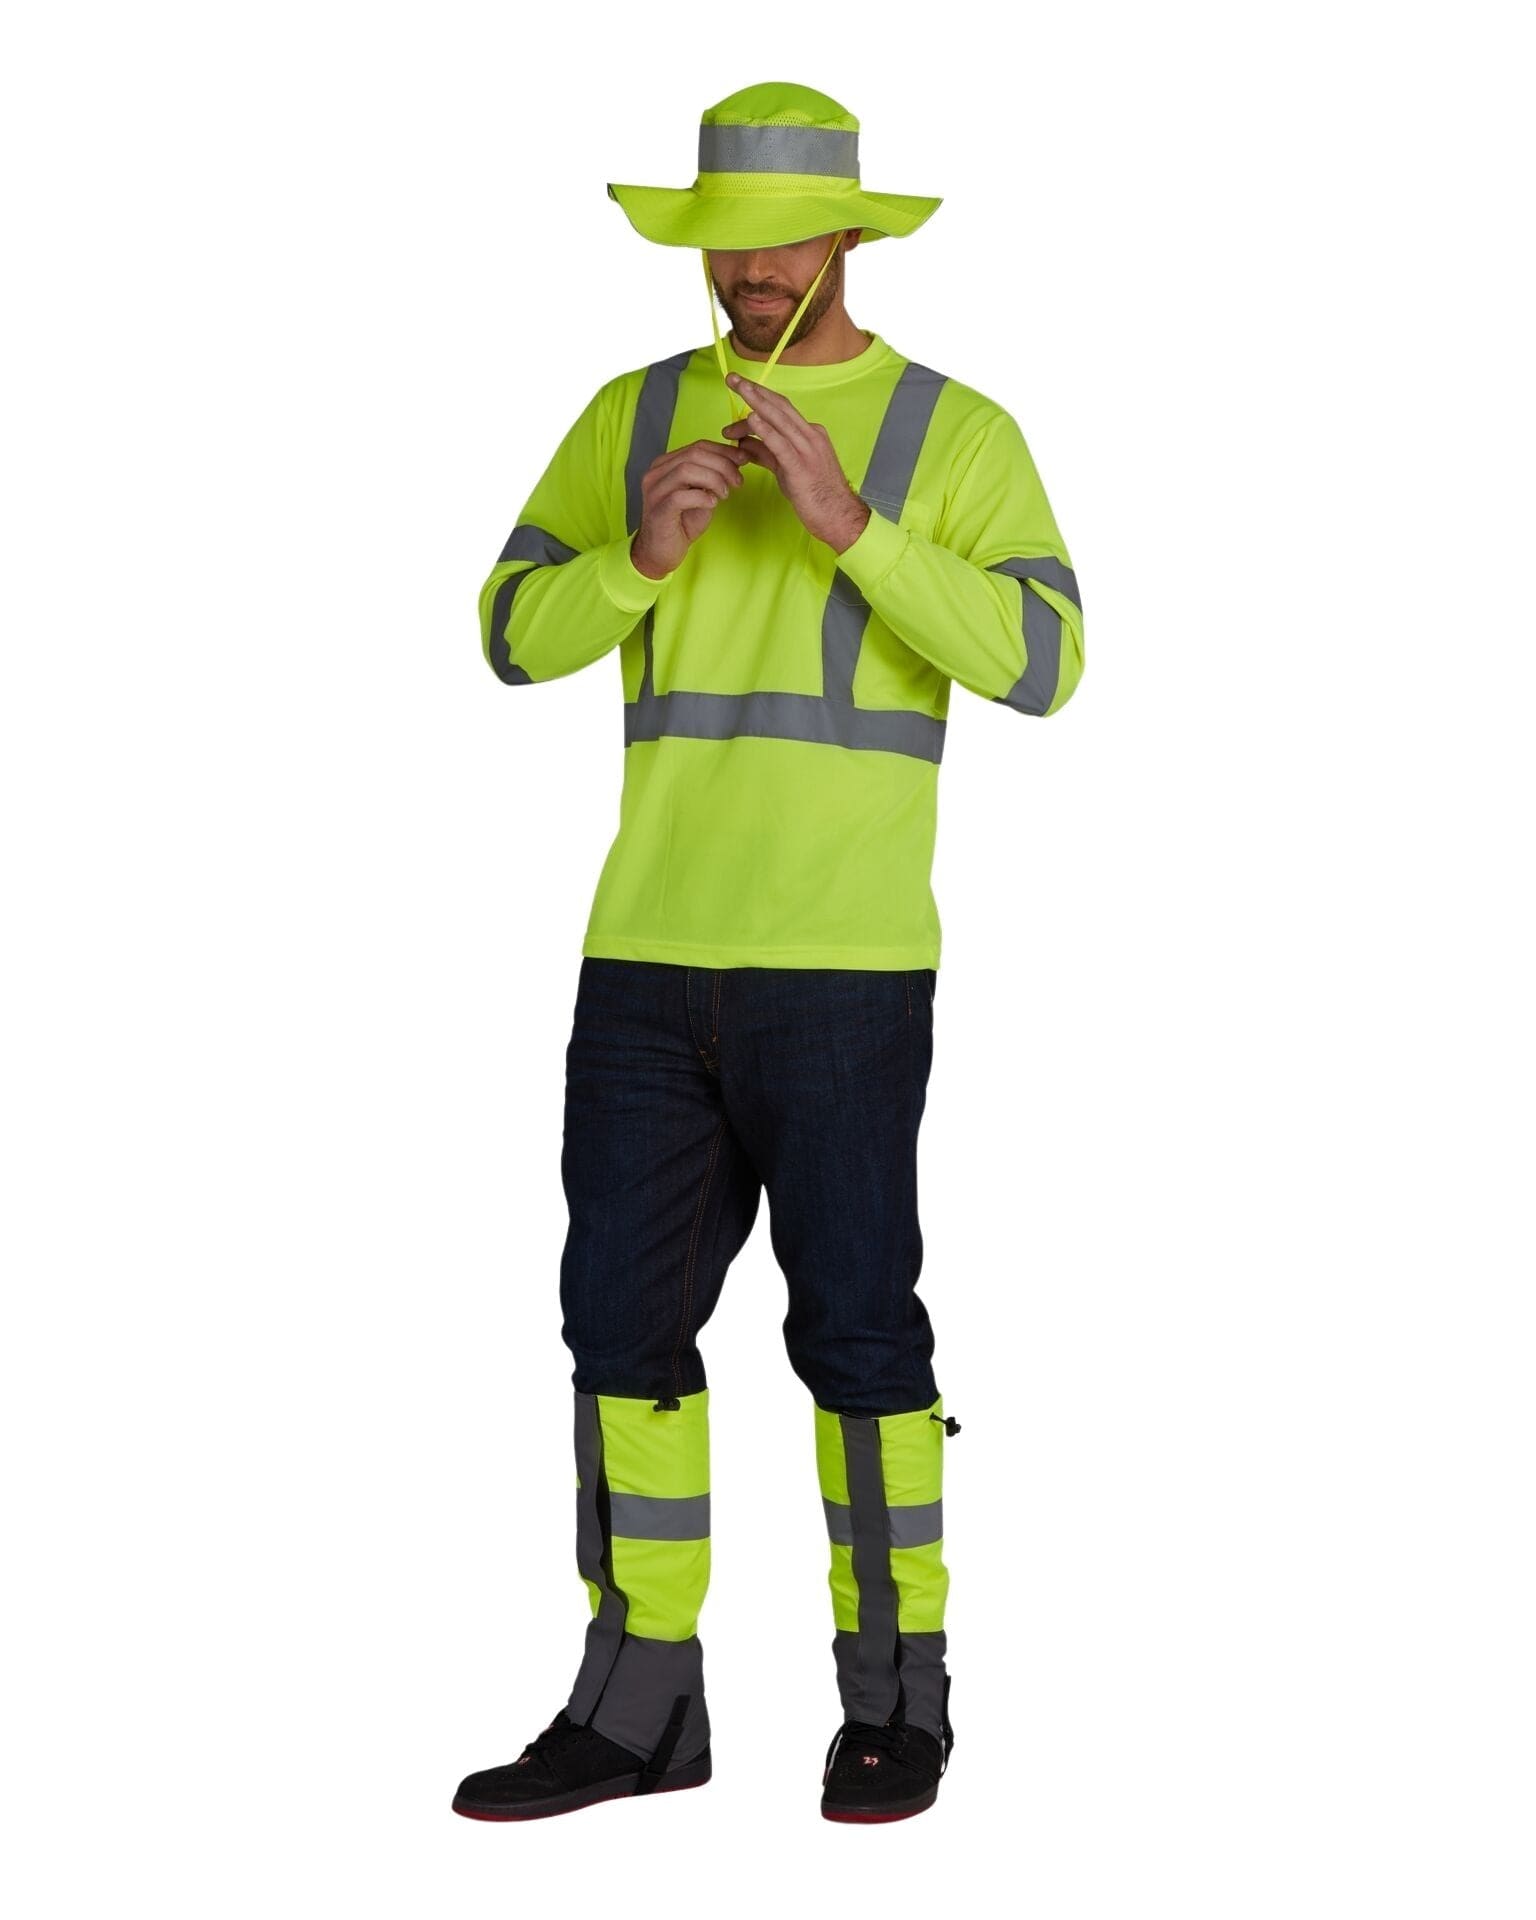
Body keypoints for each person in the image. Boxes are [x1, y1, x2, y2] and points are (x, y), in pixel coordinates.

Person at [452, 79, 1084, 1826]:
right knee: (618, 1328)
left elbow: (1045, 663)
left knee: (860, 1334)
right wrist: (638, 558)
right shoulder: (632, 414)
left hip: (847, 971)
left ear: (849, 236)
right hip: (644, 961)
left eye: (782, 242)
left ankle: (899, 1704)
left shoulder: (955, 433)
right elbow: (509, 631)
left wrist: (855, 530)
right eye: (723, 242)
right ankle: (641, 1705)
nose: (749, 272)